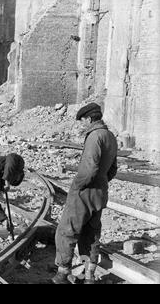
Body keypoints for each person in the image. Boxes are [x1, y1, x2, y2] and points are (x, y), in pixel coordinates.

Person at [52, 103, 117, 284]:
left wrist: (76, 187)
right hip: (100, 193)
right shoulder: (110, 136)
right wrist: (101, 183)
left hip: (84, 193)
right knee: (91, 235)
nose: (81, 125)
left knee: (66, 231)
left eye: (82, 121)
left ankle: (63, 274)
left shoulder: (94, 137)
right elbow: (112, 170)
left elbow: (88, 170)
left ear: (89, 119)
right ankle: (89, 276)